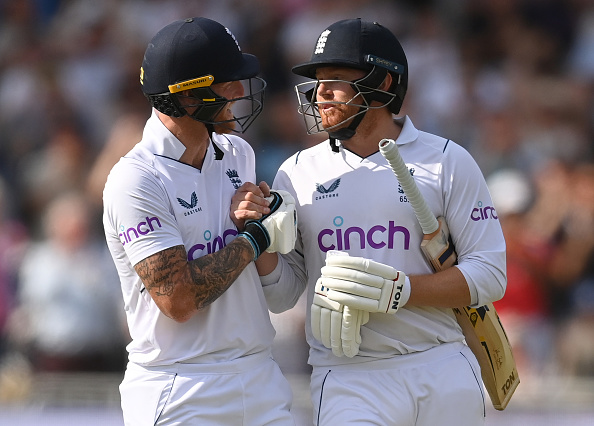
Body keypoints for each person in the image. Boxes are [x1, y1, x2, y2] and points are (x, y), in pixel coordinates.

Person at [257, 19, 507, 425]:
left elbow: (490, 275)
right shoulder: (297, 172)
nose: (321, 93)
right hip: (349, 377)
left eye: (336, 78)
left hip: (441, 361)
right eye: (318, 81)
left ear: (384, 83)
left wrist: (402, 290)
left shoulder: (447, 160)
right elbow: (284, 294)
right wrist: (260, 245)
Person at [102, 17, 297, 425]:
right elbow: (179, 300)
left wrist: (265, 225)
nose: (239, 92)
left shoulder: (239, 153)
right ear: (188, 98)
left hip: (260, 376)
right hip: (180, 388)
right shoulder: (135, 179)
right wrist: (254, 240)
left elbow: (277, 293)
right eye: (227, 82)